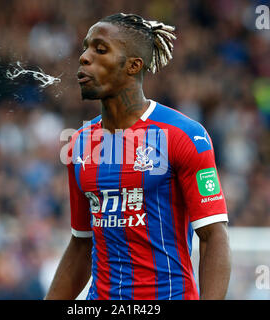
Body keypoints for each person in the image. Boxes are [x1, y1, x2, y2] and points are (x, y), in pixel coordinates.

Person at [45, 13, 231, 300]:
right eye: (85, 48)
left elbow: (213, 236)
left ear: (133, 65)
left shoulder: (183, 135)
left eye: (100, 49)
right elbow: (82, 244)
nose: (84, 57)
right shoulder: (79, 143)